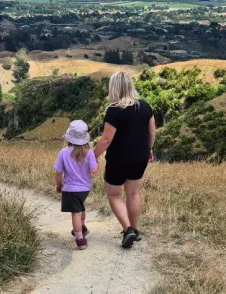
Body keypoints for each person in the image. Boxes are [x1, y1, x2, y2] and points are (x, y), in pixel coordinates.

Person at [93, 71, 155, 249]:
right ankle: (135, 230)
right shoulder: (145, 106)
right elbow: (152, 132)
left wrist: (92, 156)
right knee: (133, 194)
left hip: (118, 159)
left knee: (113, 194)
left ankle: (127, 230)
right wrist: (149, 149)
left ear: (114, 88)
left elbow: (106, 140)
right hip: (140, 157)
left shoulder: (113, 110)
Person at [54, 119, 99, 250]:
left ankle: (79, 239)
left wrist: (58, 184)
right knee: (81, 208)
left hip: (70, 189)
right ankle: (82, 227)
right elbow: (95, 171)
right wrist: (95, 160)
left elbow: (58, 173)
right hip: (85, 189)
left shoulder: (63, 152)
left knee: (76, 213)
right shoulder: (89, 152)